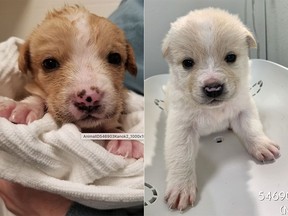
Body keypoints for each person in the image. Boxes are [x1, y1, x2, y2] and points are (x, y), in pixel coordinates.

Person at [0, 0, 143, 215]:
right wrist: (34, 102)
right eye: (51, 64)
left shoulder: (131, 104)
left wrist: (114, 131)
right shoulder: (30, 81)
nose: (90, 94)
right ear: (29, 65)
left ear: (128, 62)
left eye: (113, 59)